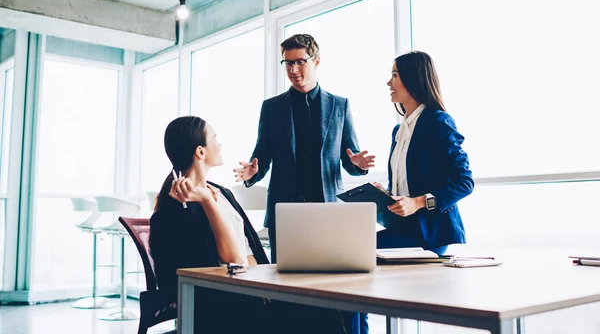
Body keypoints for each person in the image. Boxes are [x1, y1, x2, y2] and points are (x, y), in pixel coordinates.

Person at [149, 116, 348, 334]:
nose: (220, 144)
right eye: (215, 139)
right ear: (200, 152)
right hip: (231, 306)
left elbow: (250, 249)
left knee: (325, 306)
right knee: (322, 314)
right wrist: (206, 200)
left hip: (258, 290)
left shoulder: (222, 192)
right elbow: (235, 260)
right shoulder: (178, 209)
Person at [234, 33, 375, 262]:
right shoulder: (271, 107)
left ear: (316, 61)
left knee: (328, 278)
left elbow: (350, 157)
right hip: (284, 209)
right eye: (288, 63)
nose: (293, 70)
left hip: (327, 208)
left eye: (300, 62)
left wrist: (357, 164)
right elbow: (262, 156)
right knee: (284, 281)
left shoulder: (340, 105)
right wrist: (252, 173)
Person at [374, 51, 474, 255]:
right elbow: (407, 186)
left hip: (430, 233)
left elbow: (465, 183)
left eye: (395, 75)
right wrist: (384, 194)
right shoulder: (399, 131)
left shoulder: (438, 122)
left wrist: (418, 202)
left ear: (413, 79)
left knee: (357, 246)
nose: (388, 83)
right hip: (402, 227)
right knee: (353, 243)